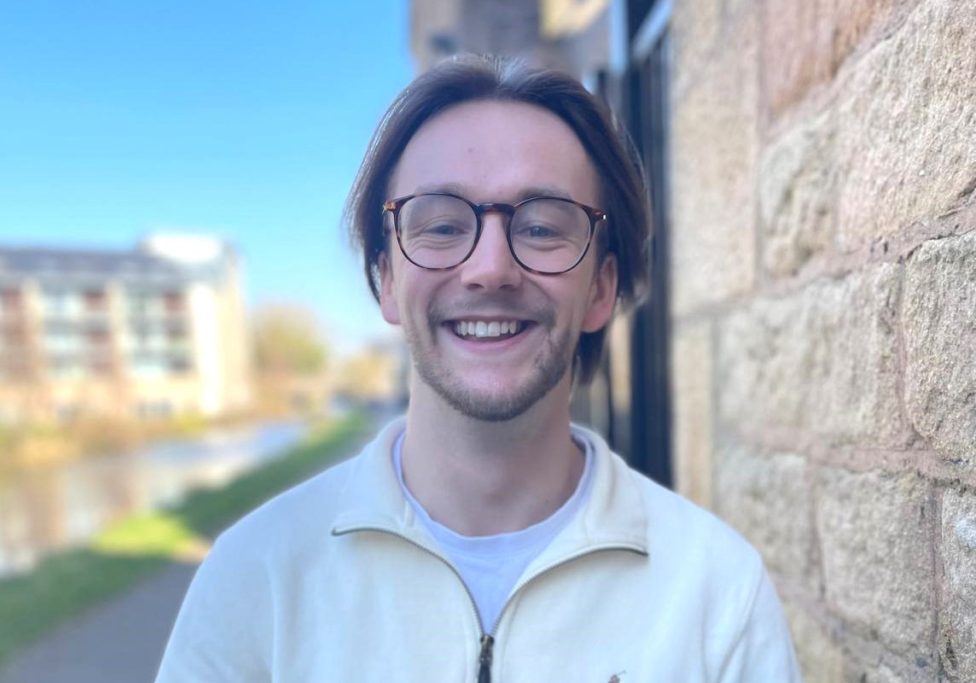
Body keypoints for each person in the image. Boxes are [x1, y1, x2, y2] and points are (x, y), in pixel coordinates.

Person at [155, 54, 801, 682]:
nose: (490, 269)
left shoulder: (718, 596)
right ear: (386, 279)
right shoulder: (254, 580)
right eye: (441, 226)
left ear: (601, 290)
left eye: (542, 228)